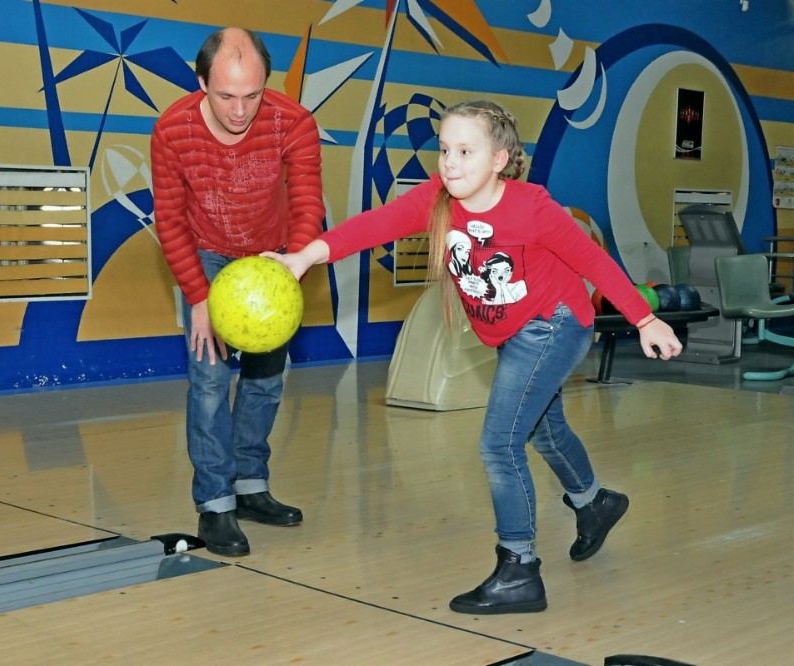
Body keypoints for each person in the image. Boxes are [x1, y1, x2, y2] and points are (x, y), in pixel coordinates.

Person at [265, 100, 682, 613]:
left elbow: (593, 261)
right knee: (544, 429)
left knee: (499, 444)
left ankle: (519, 569)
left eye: (465, 151)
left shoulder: (531, 207)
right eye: (445, 150)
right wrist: (305, 255)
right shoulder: (438, 200)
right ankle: (594, 502)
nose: (450, 162)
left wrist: (645, 319)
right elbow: (373, 225)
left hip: (554, 324)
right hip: (515, 330)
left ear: (499, 160)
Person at [150, 28, 325, 556]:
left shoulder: (293, 122)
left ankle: (250, 486)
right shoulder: (172, 130)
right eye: (226, 95)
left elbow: (307, 204)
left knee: (266, 380)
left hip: (272, 258)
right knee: (208, 381)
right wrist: (199, 298)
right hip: (205, 253)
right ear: (201, 81)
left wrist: (288, 272)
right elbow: (170, 222)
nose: (240, 110)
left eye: (252, 95)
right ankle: (215, 504)